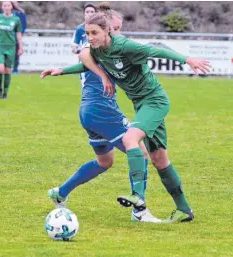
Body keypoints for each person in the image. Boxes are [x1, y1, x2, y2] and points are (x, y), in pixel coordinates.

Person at [41, 12, 211, 223]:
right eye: (87, 33)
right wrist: (61, 70)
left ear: (108, 31)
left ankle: (138, 198)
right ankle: (184, 209)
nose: (90, 37)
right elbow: (86, 64)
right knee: (160, 160)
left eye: (94, 33)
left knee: (130, 139)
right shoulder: (98, 50)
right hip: (140, 104)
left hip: (154, 101)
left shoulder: (125, 46)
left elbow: (156, 50)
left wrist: (188, 59)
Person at [42, 3, 160, 223]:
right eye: (115, 28)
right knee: (142, 153)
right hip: (102, 110)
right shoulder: (96, 46)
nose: (118, 33)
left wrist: (61, 70)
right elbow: (83, 55)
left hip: (88, 111)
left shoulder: (107, 47)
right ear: (106, 27)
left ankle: (60, 192)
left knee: (105, 161)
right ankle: (140, 211)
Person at [0, 1, 23, 99]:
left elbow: (18, 34)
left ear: (11, 7)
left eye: (8, 5)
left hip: (11, 47)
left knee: (8, 70)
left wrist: (21, 47)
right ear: (2, 7)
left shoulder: (16, 19)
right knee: (0, 69)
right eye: (5, 5)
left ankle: (5, 93)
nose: (7, 7)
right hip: (0, 47)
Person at [11, 1, 27, 74]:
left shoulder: (20, 13)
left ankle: (15, 69)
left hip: (16, 37)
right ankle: (3, 68)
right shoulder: (4, 12)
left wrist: (21, 33)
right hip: (7, 37)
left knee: (16, 54)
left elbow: (23, 25)